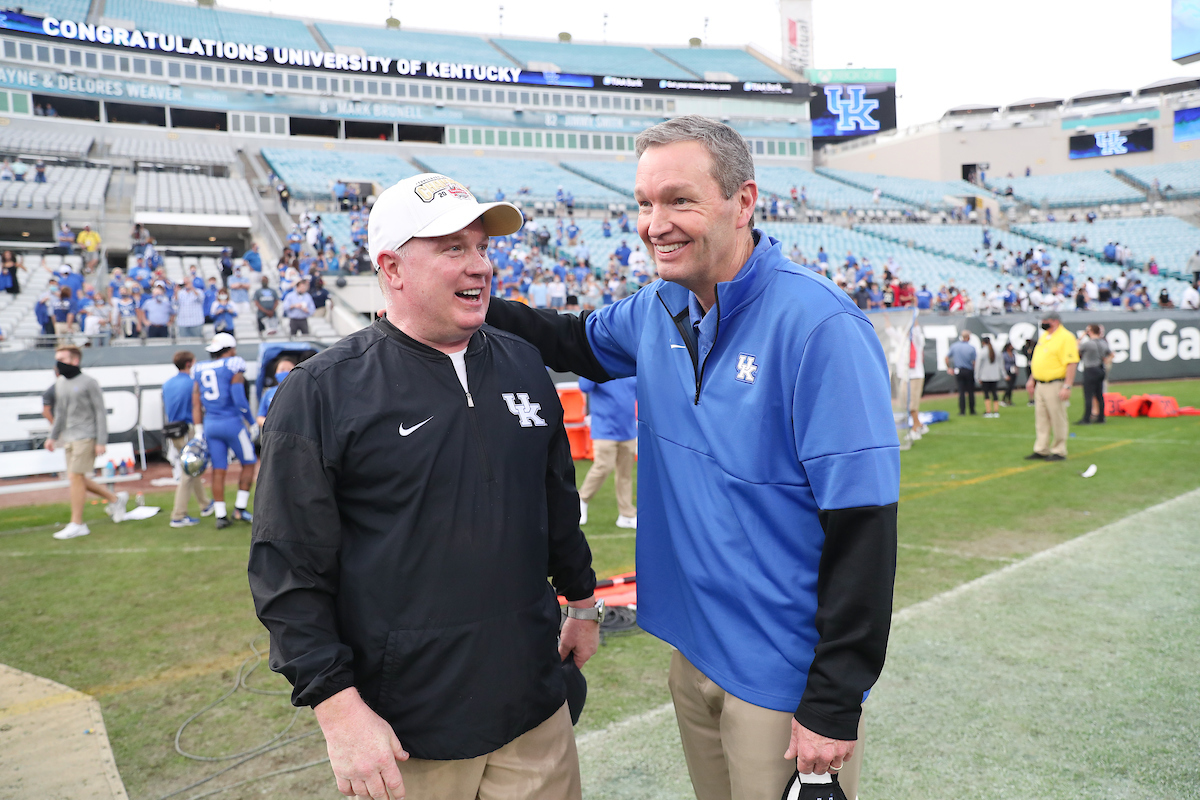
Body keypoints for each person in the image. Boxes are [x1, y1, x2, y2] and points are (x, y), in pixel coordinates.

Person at [484, 116, 898, 800]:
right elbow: (569, 340)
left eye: (679, 200)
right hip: (692, 652)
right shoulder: (659, 308)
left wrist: (834, 700)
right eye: (644, 202)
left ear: (744, 201)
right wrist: (460, 295)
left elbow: (865, 528)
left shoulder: (821, 327)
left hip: (780, 677)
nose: (655, 223)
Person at [249, 172, 599, 800]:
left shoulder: (522, 360)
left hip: (534, 705)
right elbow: (287, 570)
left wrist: (580, 601)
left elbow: (555, 501)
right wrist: (338, 708)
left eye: (482, 247)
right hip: (408, 731)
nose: (480, 265)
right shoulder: (322, 391)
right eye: (453, 249)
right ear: (392, 268)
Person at [44, 345, 128, 539]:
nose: (58, 363)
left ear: (75, 360)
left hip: (86, 436)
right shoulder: (60, 383)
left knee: (75, 477)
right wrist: (53, 437)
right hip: (69, 438)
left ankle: (78, 523)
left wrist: (101, 441)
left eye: (62, 358)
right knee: (78, 479)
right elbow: (60, 414)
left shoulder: (89, 382)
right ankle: (115, 499)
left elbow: (100, 412)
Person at [191, 333, 256, 529]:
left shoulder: (199, 368)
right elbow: (238, 398)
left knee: (218, 470)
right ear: (231, 349)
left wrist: (198, 430)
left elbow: (195, 403)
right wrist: (251, 422)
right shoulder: (233, 364)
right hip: (232, 423)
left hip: (211, 424)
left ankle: (220, 515)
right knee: (249, 463)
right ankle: (240, 508)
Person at [576, 376, 637, 528]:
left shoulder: (630, 367)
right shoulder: (600, 366)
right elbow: (584, 386)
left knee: (625, 474)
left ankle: (626, 515)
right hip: (604, 429)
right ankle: (581, 500)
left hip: (628, 430)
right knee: (603, 467)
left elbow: (639, 394)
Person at [161, 351, 213, 527]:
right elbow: (198, 406)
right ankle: (178, 515)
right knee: (188, 472)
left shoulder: (167, 384)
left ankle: (205, 504)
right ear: (189, 364)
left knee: (191, 467)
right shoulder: (193, 383)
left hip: (173, 430)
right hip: (188, 429)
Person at [1025, 311, 1079, 461]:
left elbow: (1071, 362)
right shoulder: (1045, 337)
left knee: (1057, 417)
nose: (1042, 322)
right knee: (1041, 418)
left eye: (1045, 320)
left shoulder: (1065, 337)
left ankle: (1059, 449)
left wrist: (1067, 385)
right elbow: (1039, 360)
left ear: (1054, 321)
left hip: (1055, 383)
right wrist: (1032, 379)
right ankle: (1041, 448)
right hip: (1040, 384)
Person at [1076, 324, 1113, 425]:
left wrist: (1081, 336)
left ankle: (1086, 418)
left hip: (1090, 369)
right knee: (1099, 395)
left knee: (1088, 395)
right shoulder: (1103, 343)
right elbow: (1110, 354)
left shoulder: (1088, 344)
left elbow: (1076, 348)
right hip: (1100, 369)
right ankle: (1101, 417)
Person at [255, 357, 295, 427]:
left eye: (289, 369)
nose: (286, 372)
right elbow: (260, 417)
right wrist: (271, 425)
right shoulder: (269, 392)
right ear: (276, 372)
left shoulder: (301, 392)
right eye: (282, 370)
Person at [945, 330, 977, 416]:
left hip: (958, 371)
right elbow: (974, 362)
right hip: (968, 371)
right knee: (970, 391)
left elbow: (946, 358)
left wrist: (949, 368)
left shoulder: (954, 346)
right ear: (968, 337)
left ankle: (962, 411)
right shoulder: (971, 348)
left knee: (961, 391)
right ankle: (972, 410)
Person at [975, 335, 1004, 418]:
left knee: (986, 394)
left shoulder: (982, 352)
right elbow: (1001, 364)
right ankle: (996, 411)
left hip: (985, 376)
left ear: (983, 342)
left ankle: (988, 411)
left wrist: (977, 376)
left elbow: (978, 366)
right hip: (995, 375)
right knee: (994, 393)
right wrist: (1003, 374)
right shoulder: (997, 351)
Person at [1001, 342, 1018, 407]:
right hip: (1007, 371)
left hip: (1013, 371)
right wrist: (1004, 374)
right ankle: (1003, 399)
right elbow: (1002, 364)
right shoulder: (1004, 354)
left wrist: (1016, 369)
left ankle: (1009, 400)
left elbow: (1015, 363)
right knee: (1009, 386)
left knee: (1012, 386)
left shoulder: (1013, 354)